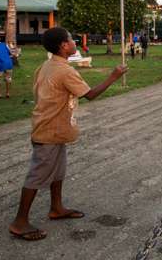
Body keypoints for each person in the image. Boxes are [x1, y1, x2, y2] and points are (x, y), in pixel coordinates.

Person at [8, 27, 127, 241]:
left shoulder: (46, 65)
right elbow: (90, 95)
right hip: (49, 131)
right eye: (71, 39)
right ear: (64, 46)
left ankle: (56, 208)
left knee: (58, 172)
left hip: (53, 129)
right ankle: (20, 222)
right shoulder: (64, 71)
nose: (74, 42)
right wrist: (114, 76)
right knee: (37, 176)